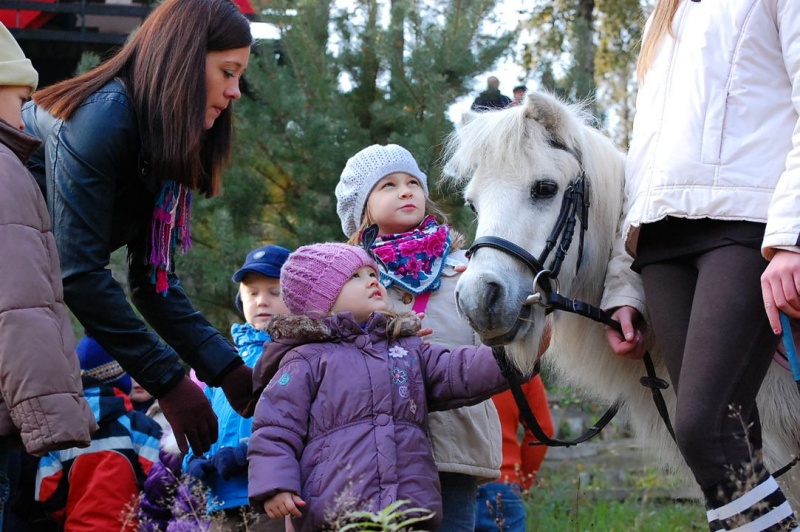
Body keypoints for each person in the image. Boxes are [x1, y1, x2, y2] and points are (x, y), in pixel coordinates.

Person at [21, 0, 256, 457]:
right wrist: (169, 381)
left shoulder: (166, 142)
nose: (236, 92)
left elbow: (154, 281)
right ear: (184, 62)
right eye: (228, 71)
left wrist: (227, 369)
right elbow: (79, 275)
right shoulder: (102, 119)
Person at [601, 1, 800, 530]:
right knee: (727, 440)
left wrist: (791, 238)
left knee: (705, 428)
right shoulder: (664, 13)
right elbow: (644, 151)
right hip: (662, 240)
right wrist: (625, 283)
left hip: (748, 224)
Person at [247, 243, 511, 531]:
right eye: (355, 276)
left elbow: (458, 371)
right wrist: (275, 485)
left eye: (372, 273)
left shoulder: (406, 349)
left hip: (408, 510)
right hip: (335, 512)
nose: (373, 280)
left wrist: (517, 354)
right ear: (319, 301)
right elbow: (275, 429)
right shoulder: (305, 360)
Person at [335, 143, 502, 531]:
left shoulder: (471, 268)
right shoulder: (349, 280)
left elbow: (497, 350)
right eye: (388, 185)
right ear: (363, 208)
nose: (406, 190)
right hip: (375, 446)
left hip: (454, 440)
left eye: (412, 182)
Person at [0, 21, 97, 529]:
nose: (25, 116)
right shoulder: (2, 168)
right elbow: (20, 305)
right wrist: (51, 420)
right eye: (19, 98)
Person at [184, 244, 292, 531]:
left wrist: (248, 452)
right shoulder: (223, 362)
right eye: (252, 293)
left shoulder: (296, 355)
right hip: (220, 499)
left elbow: (299, 420)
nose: (261, 301)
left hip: (272, 498)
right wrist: (193, 457)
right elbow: (200, 419)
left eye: (275, 292)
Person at [35, 336, 162, 531]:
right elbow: (160, 483)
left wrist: (72, 516)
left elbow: (47, 492)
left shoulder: (61, 432)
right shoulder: (140, 427)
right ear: (120, 377)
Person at [474, 376, 553, 532]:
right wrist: (523, 479)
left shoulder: (429, 354)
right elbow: (543, 429)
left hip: (446, 482)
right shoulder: (519, 361)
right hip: (503, 481)